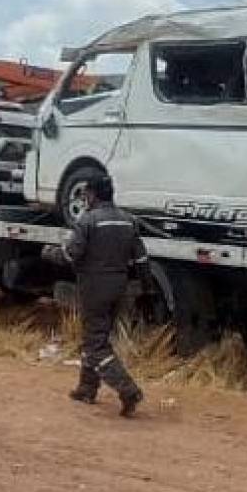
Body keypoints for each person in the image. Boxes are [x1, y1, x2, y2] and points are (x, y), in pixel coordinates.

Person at [44, 174, 149, 417]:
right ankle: (86, 388)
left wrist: (50, 253)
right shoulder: (128, 221)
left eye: (85, 194)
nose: (84, 199)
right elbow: (142, 259)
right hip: (119, 288)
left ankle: (128, 390)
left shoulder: (88, 221)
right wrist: (147, 287)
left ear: (92, 194)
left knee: (96, 344)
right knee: (96, 336)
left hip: (94, 288)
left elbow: (71, 255)